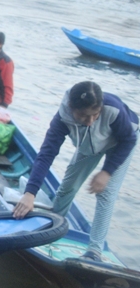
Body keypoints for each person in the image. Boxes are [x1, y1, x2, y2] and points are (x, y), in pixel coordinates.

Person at [13, 81, 137, 261]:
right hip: (90, 145)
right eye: (84, 116)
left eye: (95, 115)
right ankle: (53, 228)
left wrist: (107, 172)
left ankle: (94, 251)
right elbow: (47, 154)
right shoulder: (62, 119)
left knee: (105, 193)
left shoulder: (114, 110)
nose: (90, 121)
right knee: (67, 187)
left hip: (121, 143)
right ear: (72, 107)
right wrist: (30, 193)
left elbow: (129, 140)